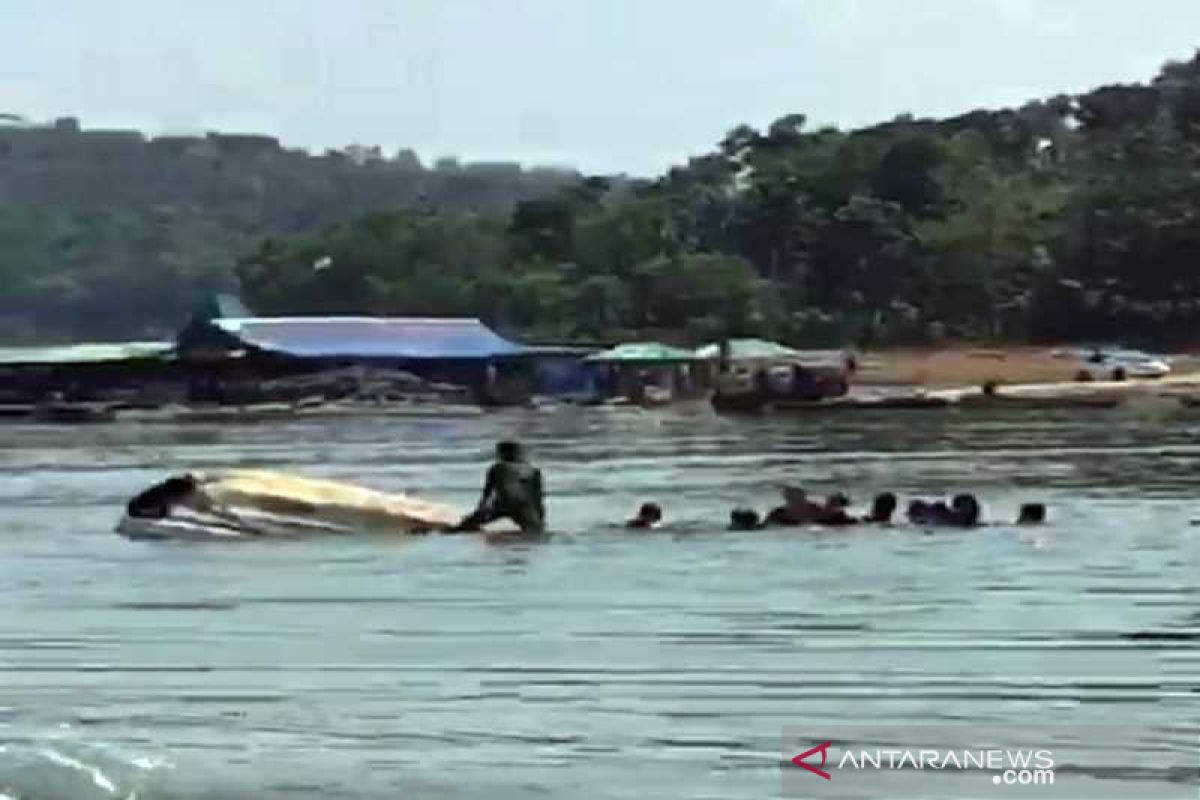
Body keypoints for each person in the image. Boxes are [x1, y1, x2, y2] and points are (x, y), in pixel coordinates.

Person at [453, 441, 545, 533]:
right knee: (535, 531)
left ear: (502, 454)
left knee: (463, 527)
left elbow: (487, 494)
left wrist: (477, 515)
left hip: (505, 504)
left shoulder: (497, 468)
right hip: (526, 508)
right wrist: (540, 517)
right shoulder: (534, 471)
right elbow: (538, 496)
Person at [126, 474, 203, 519]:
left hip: (140, 506)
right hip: (139, 507)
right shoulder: (164, 492)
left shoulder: (166, 490)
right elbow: (163, 510)